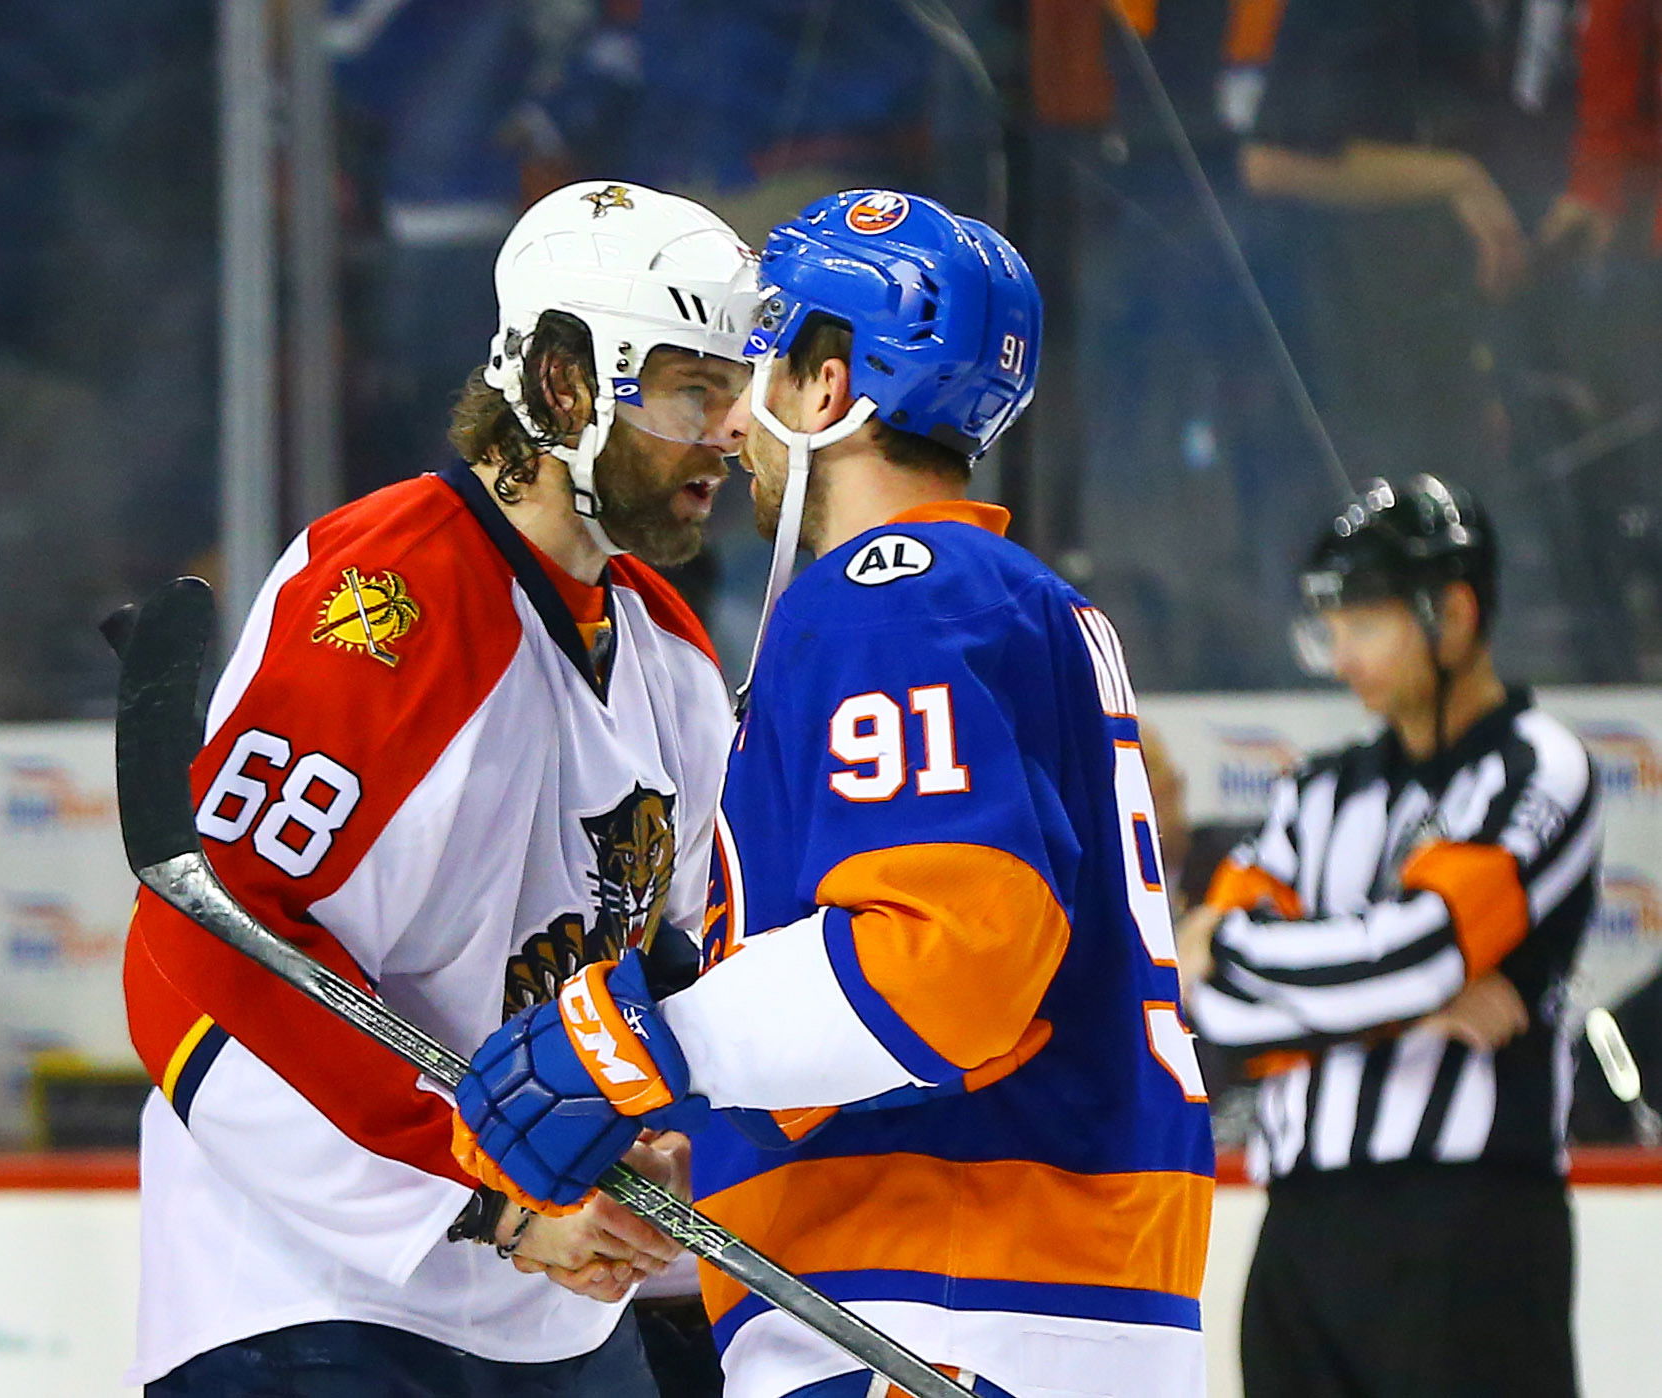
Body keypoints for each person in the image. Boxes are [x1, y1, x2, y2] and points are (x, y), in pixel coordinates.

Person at [455, 189, 1217, 1398]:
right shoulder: (996, 598)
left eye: (760, 363)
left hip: (942, 1307)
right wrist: (700, 1124)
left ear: (829, 388)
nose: (730, 423)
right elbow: (928, 1005)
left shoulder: (890, 588)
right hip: (1026, 1295)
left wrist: (644, 1041)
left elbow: (951, 958)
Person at [122, 180, 755, 1396]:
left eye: (735, 390)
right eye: (693, 388)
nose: (730, 429)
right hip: (306, 1301)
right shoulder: (389, 604)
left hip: (553, 1318)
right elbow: (193, 970)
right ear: (566, 384)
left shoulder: (667, 649)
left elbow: (673, 965)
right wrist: (490, 1207)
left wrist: (647, 1141)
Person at [1180, 474, 1599, 1397]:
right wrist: (1412, 1003)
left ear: (1451, 612)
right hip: (1298, 1233)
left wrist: (1243, 950)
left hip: (1471, 1229)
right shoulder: (1313, 790)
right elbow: (1211, 1004)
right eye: (1329, 629)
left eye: (1363, 625)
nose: (1339, 657)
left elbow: (1423, 948)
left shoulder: (1538, 768)